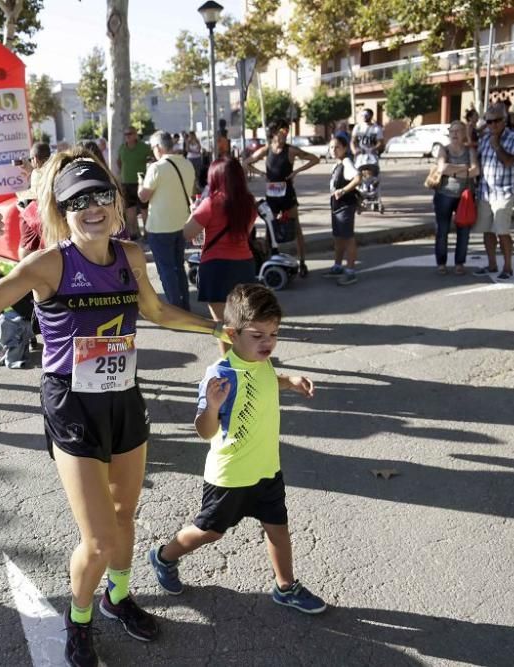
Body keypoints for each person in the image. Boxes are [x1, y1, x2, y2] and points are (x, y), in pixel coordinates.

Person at [0, 148, 232, 667]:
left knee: (126, 514)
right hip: (71, 402)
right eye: (77, 200)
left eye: (101, 196)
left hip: (124, 395)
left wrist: (214, 328)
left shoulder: (131, 256)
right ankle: (78, 619)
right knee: (100, 537)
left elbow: (153, 310)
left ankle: (117, 596)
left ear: (116, 202)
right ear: (60, 211)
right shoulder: (48, 264)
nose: (92, 207)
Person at [146, 284, 327, 615]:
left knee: (278, 527)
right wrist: (211, 407)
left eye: (274, 333)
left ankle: (285, 586)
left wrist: (292, 381)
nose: (268, 342)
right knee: (209, 532)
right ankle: (163, 557)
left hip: (266, 469)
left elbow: (268, 380)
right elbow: (205, 430)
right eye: (258, 335)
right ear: (232, 334)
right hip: (230, 476)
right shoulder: (221, 375)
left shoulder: (262, 361)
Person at [182, 158, 258, 353]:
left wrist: (193, 213)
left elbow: (188, 234)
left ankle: (227, 363)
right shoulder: (249, 204)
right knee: (242, 320)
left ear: (215, 178)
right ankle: (247, 359)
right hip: (244, 265)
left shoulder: (210, 203)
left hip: (216, 267)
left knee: (221, 324)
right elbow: (246, 233)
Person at [243, 120, 319, 277]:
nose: (285, 133)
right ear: (274, 133)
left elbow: (314, 159)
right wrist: (261, 174)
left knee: (296, 228)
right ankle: (270, 259)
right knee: (270, 229)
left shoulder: (291, 150)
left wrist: (296, 171)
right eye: (282, 130)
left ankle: (303, 262)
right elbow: (246, 163)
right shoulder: (266, 150)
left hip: (287, 195)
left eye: (287, 130)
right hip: (271, 196)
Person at [138, 131, 196, 310]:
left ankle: (175, 309)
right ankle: (184, 306)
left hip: (159, 226)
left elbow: (143, 197)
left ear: (158, 147)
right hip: (181, 223)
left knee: (166, 270)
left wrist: (141, 181)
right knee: (178, 267)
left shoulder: (156, 168)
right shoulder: (187, 163)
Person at [473, 103, 514, 280]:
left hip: (504, 191)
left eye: (497, 121)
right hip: (485, 191)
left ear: (504, 120)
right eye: (489, 121)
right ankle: (492, 264)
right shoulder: (485, 137)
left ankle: (507, 267)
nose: (493, 124)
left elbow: (509, 162)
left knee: (502, 231)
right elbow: (476, 159)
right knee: (487, 230)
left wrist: (496, 146)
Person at [432, 121, 479, 275]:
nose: (455, 134)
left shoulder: (470, 151)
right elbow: (442, 168)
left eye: (458, 131)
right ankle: (441, 263)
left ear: (464, 133)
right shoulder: (443, 149)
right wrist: (463, 169)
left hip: (464, 196)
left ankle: (459, 263)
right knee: (442, 230)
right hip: (444, 194)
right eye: (452, 131)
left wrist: (451, 171)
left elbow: (476, 171)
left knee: (464, 231)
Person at [323, 135, 361, 285]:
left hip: (345, 206)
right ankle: (337, 266)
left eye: (337, 147)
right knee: (338, 238)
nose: (333, 150)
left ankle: (351, 271)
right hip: (337, 207)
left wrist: (343, 191)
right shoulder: (338, 164)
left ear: (345, 148)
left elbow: (358, 178)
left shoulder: (346, 162)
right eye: (331, 147)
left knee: (348, 238)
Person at [18, 143, 54, 258]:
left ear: (35, 159)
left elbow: (36, 193)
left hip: (39, 212)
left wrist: (22, 201)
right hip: (54, 216)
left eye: (31, 159)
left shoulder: (37, 173)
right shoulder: (55, 166)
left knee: (25, 250)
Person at [117, 127, 151, 240]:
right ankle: (133, 233)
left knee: (144, 209)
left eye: (130, 134)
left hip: (141, 183)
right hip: (126, 183)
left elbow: (152, 159)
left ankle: (147, 234)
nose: (127, 136)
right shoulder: (122, 148)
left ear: (135, 135)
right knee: (129, 210)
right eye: (126, 134)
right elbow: (119, 162)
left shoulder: (144, 147)